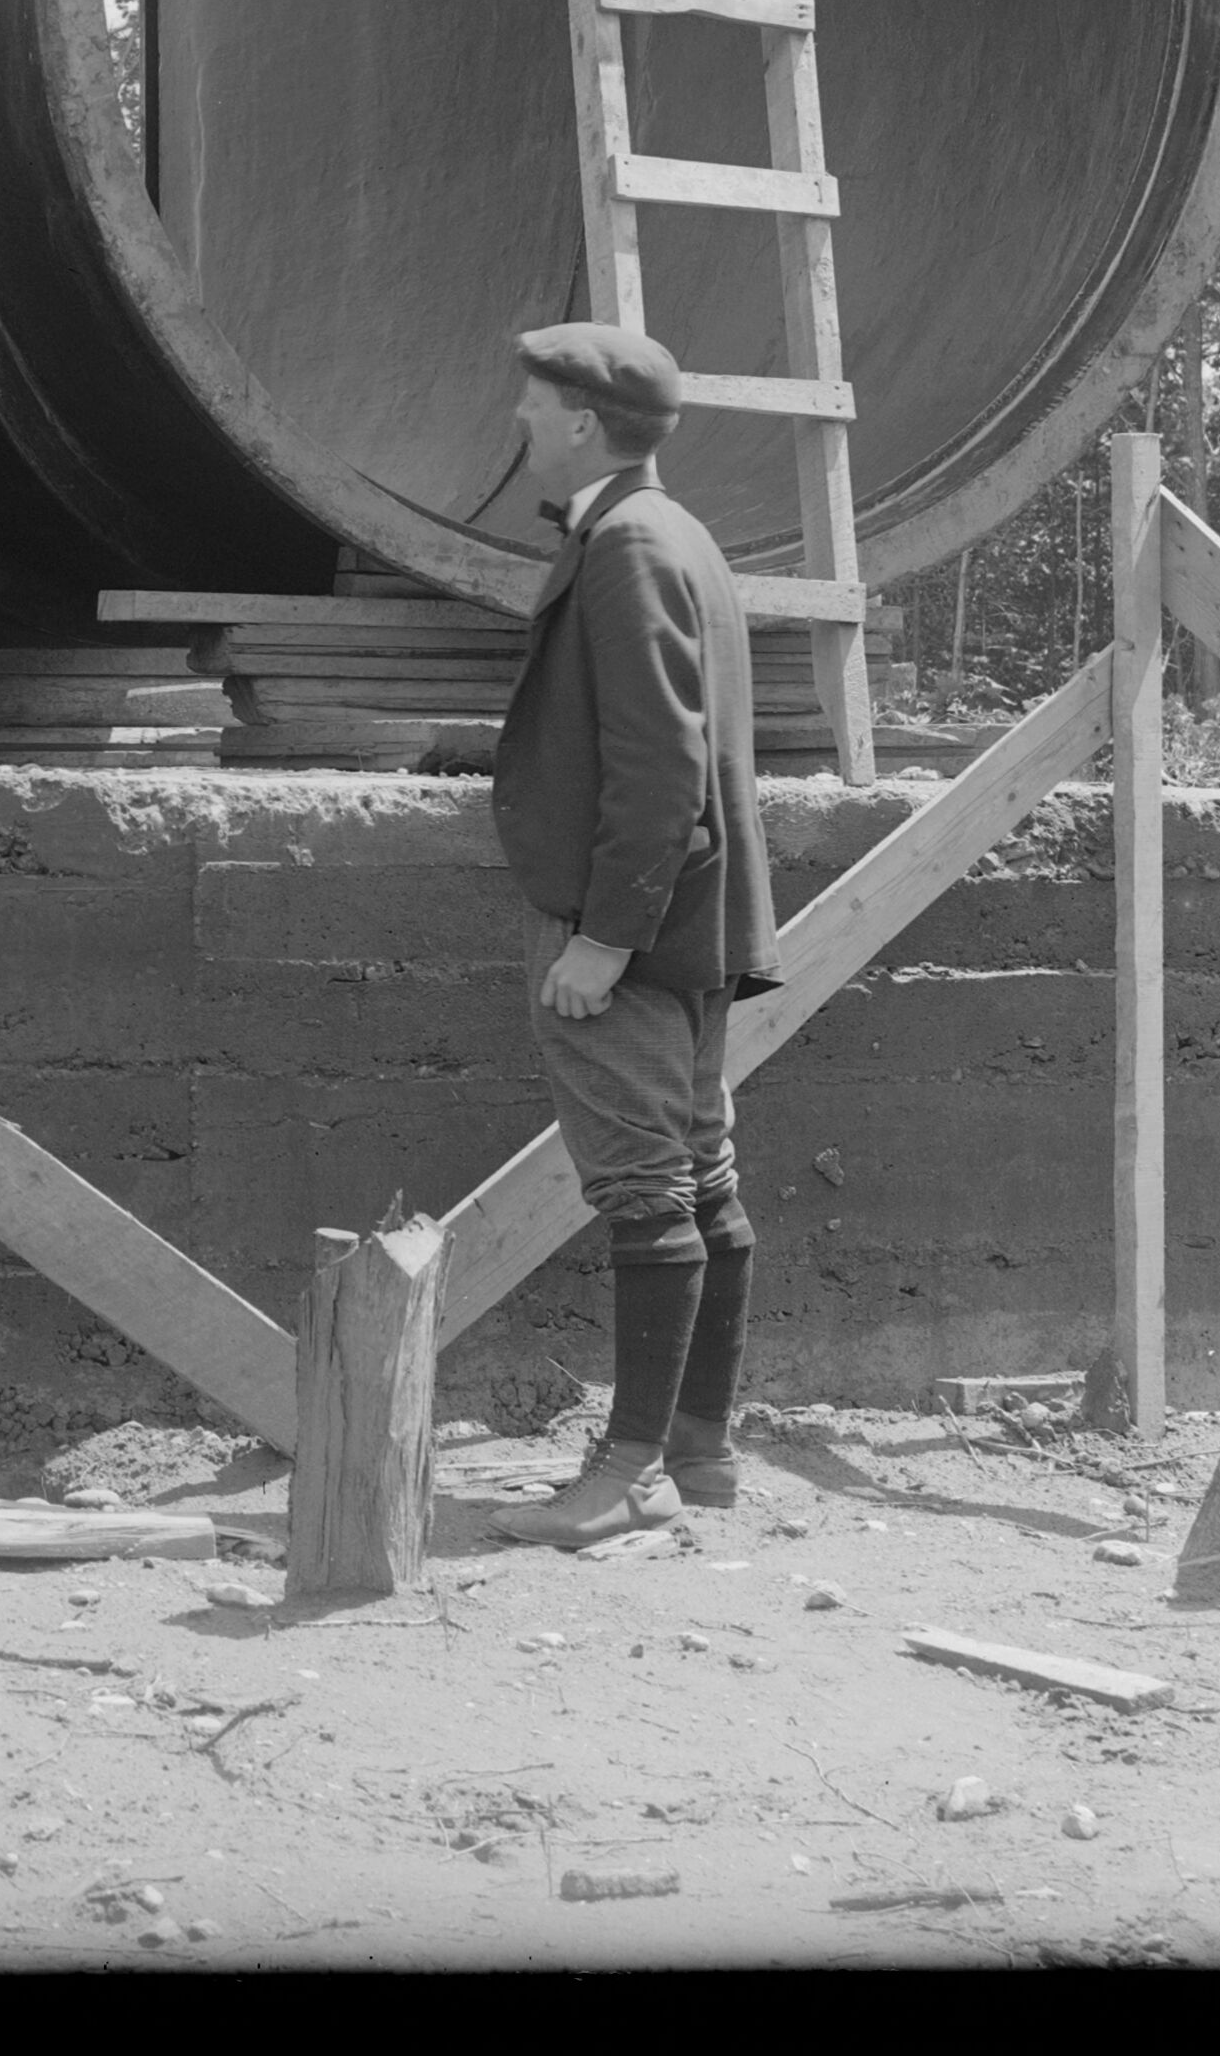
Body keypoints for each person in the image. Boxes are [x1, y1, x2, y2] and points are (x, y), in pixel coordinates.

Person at [481, 318, 786, 1548]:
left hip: (636, 928)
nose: (515, 422)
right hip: (692, 920)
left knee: (644, 1186)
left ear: (578, 423)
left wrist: (602, 937)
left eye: (529, 405)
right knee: (697, 1169)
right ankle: (699, 1451)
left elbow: (660, 768)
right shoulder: (673, 534)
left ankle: (630, 1469)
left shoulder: (626, 545)